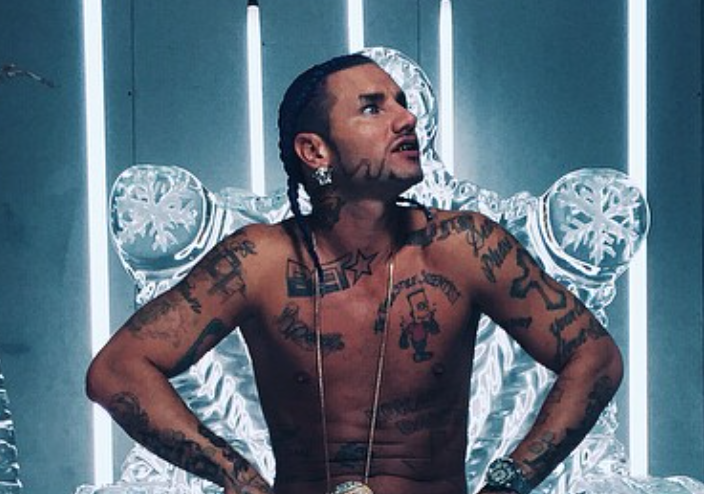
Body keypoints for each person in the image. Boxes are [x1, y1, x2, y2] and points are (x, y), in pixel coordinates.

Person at [86, 53, 623, 494]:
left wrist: (510, 481)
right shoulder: (260, 261)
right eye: (372, 107)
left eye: (402, 103)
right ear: (314, 150)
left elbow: (595, 355)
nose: (405, 119)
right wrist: (235, 475)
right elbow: (117, 370)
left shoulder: (464, 247)